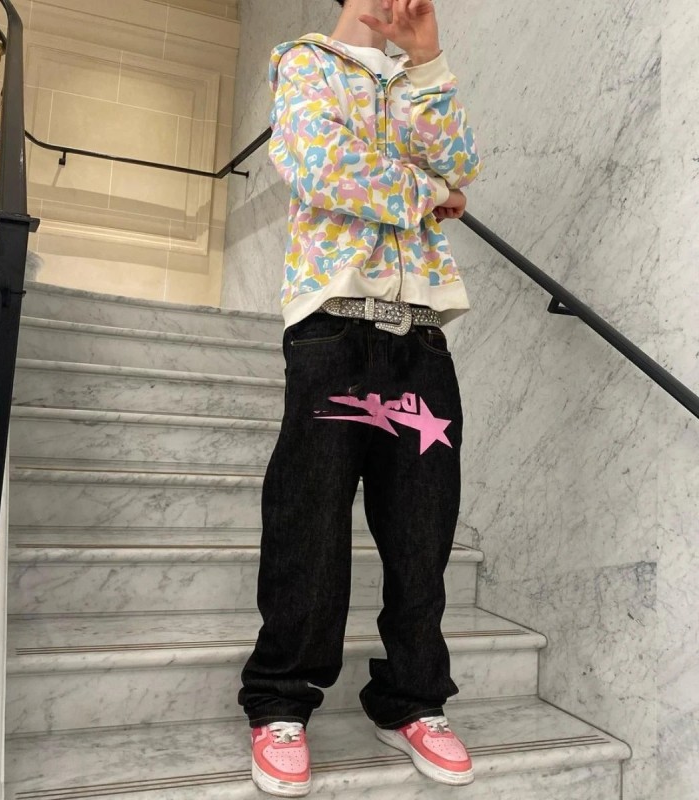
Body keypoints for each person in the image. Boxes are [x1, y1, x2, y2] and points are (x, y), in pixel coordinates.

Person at [237, 0, 483, 795]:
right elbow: (320, 167)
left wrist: (430, 60)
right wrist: (427, 194)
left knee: (423, 530)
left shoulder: (416, 81)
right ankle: (282, 699)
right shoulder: (304, 63)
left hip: (421, 335)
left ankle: (412, 698)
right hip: (333, 329)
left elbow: (462, 164)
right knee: (309, 520)